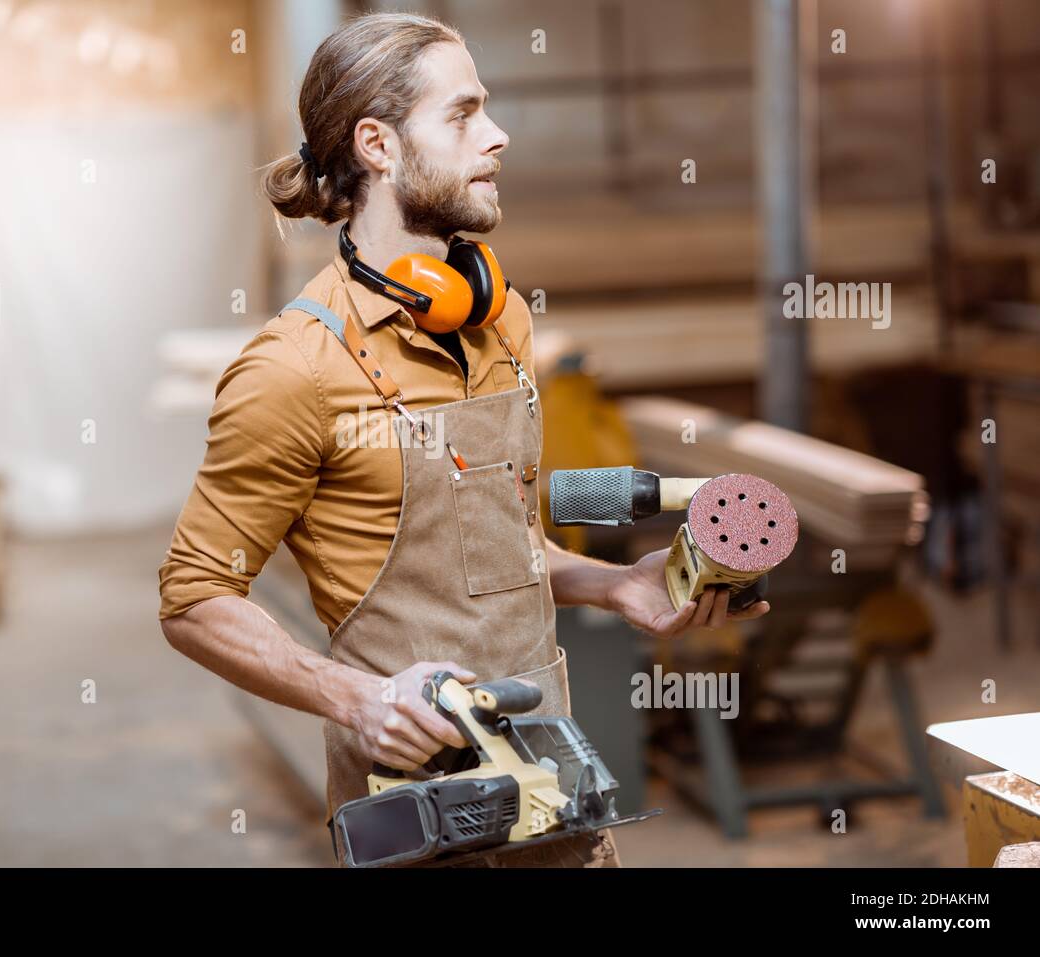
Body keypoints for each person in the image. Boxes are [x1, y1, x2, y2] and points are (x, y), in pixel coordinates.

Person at [158, 11, 769, 868]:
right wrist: (355, 698)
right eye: (463, 114)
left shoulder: (505, 323)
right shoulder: (295, 366)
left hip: (556, 795)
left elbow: (499, 542)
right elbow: (192, 597)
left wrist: (616, 584)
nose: (498, 135)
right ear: (377, 144)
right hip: (416, 819)